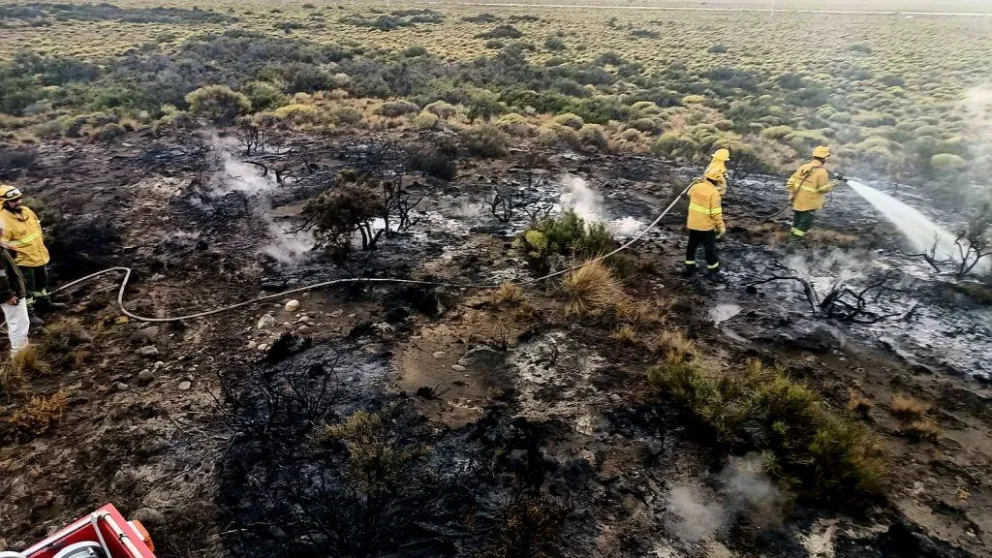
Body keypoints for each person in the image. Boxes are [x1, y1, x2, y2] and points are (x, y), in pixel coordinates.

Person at [0, 185, 58, 326]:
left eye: (19, 198)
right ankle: (29, 314)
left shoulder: (27, 211)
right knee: (27, 290)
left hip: (38, 256)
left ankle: (45, 303)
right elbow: (3, 245)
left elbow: (37, 229)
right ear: (3, 202)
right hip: (22, 261)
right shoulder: (3, 220)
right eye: (14, 201)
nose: (18, 202)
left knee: (41, 284)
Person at [786, 145, 841, 241]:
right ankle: (794, 243)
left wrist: (791, 194)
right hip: (809, 203)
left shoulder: (803, 167)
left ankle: (792, 239)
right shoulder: (822, 172)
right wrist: (834, 184)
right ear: (825, 158)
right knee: (804, 224)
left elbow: (791, 182)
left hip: (797, 201)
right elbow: (823, 189)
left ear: (813, 156)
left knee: (797, 222)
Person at [684, 166, 726, 275]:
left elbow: (688, 193)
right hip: (706, 227)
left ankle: (689, 266)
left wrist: (697, 182)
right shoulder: (714, 193)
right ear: (716, 180)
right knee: (710, 249)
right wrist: (721, 227)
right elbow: (716, 213)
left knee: (691, 246)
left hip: (693, 224)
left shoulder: (696, 187)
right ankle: (713, 270)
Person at [0, 242, 29, 357]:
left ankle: (23, 351)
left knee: (20, 322)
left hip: (13, 291)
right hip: (11, 294)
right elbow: (1, 275)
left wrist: (9, 250)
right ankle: (19, 355)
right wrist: (8, 294)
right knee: (18, 323)